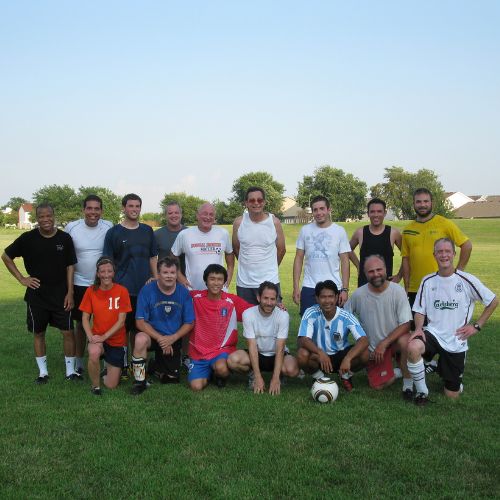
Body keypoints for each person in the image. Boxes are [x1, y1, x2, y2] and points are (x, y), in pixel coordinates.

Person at [406, 238, 497, 406]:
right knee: (412, 347)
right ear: (434, 255)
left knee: (451, 395)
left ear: (454, 254)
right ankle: (422, 392)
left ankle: (444, 370)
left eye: (447, 251)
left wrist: (477, 326)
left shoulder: (466, 280)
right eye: (440, 251)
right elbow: (419, 309)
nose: (444, 255)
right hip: (432, 333)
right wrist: (419, 328)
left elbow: (492, 300)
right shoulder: (428, 281)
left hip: (456, 339)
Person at [2, 203, 80, 383]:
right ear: (37, 219)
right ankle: (43, 373)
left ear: (54, 216)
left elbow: (70, 266)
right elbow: (6, 257)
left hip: (61, 294)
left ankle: (71, 371)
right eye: (41, 216)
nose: (46, 219)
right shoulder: (27, 238)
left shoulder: (65, 238)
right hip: (37, 295)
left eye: (49, 216)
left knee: (68, 331)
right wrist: (22, 279)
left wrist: (70, 292)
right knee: (38, 333)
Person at [103, 193, 158, 374]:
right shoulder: (114, 233)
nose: (134, 209)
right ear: (123, 208)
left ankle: (138, 368)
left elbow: (152, 257)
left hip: (143, 290)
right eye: (131, 206)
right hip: (121, 290)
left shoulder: (147, 231)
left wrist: (155, 277)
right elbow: (108, 261)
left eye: (137, 206)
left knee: (138, 330)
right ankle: (122, 365)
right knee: (121, 330)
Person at [345, 255, 413, 398]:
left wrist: (384, 343)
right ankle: (397, 371)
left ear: (386, 269)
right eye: (371, 271)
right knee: (378, 385)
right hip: (373, 350)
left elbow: (406, 324)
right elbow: (344, 318)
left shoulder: (397, 291)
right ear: (365, 274)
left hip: (393, 343)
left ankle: (408, 383)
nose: (376, 274)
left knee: (406, 341)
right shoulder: (359, 294)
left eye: (379, 270)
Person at [130, 257, 195, 395]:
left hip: (173, 337)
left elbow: (189, 323)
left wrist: (172, 338)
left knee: (170, 379)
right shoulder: (147, 290)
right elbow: (140, 322)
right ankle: (140, 381)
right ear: (158, 274)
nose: (169, 276)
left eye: (172, 272)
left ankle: (155, 366)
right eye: (165, 272)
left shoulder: (183, 292)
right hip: (152, 335)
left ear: (177, 274)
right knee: (140, 339)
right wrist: (161, 339)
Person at [65, 194, 113, 374]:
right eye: (89, 208)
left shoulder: (109, 226)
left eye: (97, 208)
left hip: (102, 283)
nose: (93, 212)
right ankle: (78, 361)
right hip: (78, 283)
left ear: (101, 210)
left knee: (106, 322)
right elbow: (66, 256)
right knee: (80, 324)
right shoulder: (72, 227)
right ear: (83, 209)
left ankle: (107, 362)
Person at [401, 188, 472, 308]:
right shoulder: (408, 229)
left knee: (440, 324)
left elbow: (466, 245)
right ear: (413, 204)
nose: (422, 205)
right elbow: (406, 259)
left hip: (441, 285)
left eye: (426, 201)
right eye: (418, 202)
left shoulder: (444, 223)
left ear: (431, 203)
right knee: (417, 326)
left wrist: (458, 272)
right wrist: (407, 286)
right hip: (415, 288)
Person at [188, 264, 252, 391]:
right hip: (198, 352)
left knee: (222, 369)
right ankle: (210, 373)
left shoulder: (231, 301)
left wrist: (275, 305)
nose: (216, 283)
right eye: (212, 279)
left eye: (219, 279)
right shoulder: (195, 297)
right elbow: (173, 292)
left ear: (224, 282)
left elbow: (254, 311)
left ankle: (220, 374)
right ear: (205, 281)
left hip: (222, 350)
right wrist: (155, 281)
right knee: (196, 386)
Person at [228, 281, 299, 395]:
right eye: (265, 298)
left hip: (277, 353)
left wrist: (275, 379)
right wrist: (257, 377)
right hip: (257, 353)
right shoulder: (248, 314)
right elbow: (251, 346)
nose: (269, 303)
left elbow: (280, 348)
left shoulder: (283, 315)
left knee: (292, 369)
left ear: (277, 300)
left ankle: (279, 375)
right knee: (232, 360)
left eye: (272, 299)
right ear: (258, 297)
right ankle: (253, 375)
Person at [297, 280, 368, 391]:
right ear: (317, 298)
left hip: (341, 354)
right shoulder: (310, 312)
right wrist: (320, 352)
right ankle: (319, 377)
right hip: (319, 356)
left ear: (336, 297)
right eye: (323, 297)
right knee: (302, 354)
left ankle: (345, 376)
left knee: (365, 353)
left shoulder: (346, 316)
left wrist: (348, 358)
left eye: (331, 296)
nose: (327, 301)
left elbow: (363, 340)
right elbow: (303, 340)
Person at [80, 257, 132, 395]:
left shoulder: (122, 291)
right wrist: (91, 337)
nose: (106, 274)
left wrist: (104, 337)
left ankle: (106, 372)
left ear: (114, 273)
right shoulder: (91, 291)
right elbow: (85, 318)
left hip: (116, 341)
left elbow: (121, 321)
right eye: (102, 271)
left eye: (109, 271)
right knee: (93, 352)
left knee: (111, 385)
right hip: (97, 337)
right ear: (97, 273)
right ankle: (95, 386)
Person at [293, 196, 351, 314]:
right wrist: (296, 287)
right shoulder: (305, 230)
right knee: (309, 327)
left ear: (329, 209)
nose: (318, 213)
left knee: (334, 326)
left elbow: (345, 261)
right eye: (315, 210)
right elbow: (298, 258)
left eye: (322, 209)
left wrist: (344, 289)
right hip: (310, 287)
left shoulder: (339, 231)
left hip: (333, 287)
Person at [232, 187, 286, 304]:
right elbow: (236, 249)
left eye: (260, 200)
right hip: (245, 284)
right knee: (248, 320)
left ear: (264, 202)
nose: (256, 203)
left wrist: (270, 267)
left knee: (272, 319)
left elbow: (281, 250)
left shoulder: (274, 222)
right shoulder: (239, 223)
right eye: (252, 200)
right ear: (246, 203)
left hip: (270, 282)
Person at [172, 202, 234, 291]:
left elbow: (229, 253)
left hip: (218, 291)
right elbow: (173, 254)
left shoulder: (223, 233)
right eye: (204, 214)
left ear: (214, 218)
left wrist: (229, 274)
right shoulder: (185, 235)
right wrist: (180, 276)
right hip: (193, 290)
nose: (208, 217)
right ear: (197, 215)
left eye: (211, 214)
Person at [349, 198, 402, 287]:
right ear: (368, 213)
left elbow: (406, 255)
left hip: (385, 286)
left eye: (379, 211)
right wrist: (358, 265)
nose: (376, 215)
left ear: (384, 213)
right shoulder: (360, 232)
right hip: (364, 286)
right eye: (372, 211)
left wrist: (399, 276)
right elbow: (347, 250)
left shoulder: (393, 233)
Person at [155, 201, 187, 270]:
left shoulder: (189, 233)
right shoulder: (157, 235)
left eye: (176, 213)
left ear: (181, 215)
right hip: (164, 278)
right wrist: (155, 275)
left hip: (187, 278)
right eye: (170, 213)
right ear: (165, 216)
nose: (173, 215)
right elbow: (152, 258)